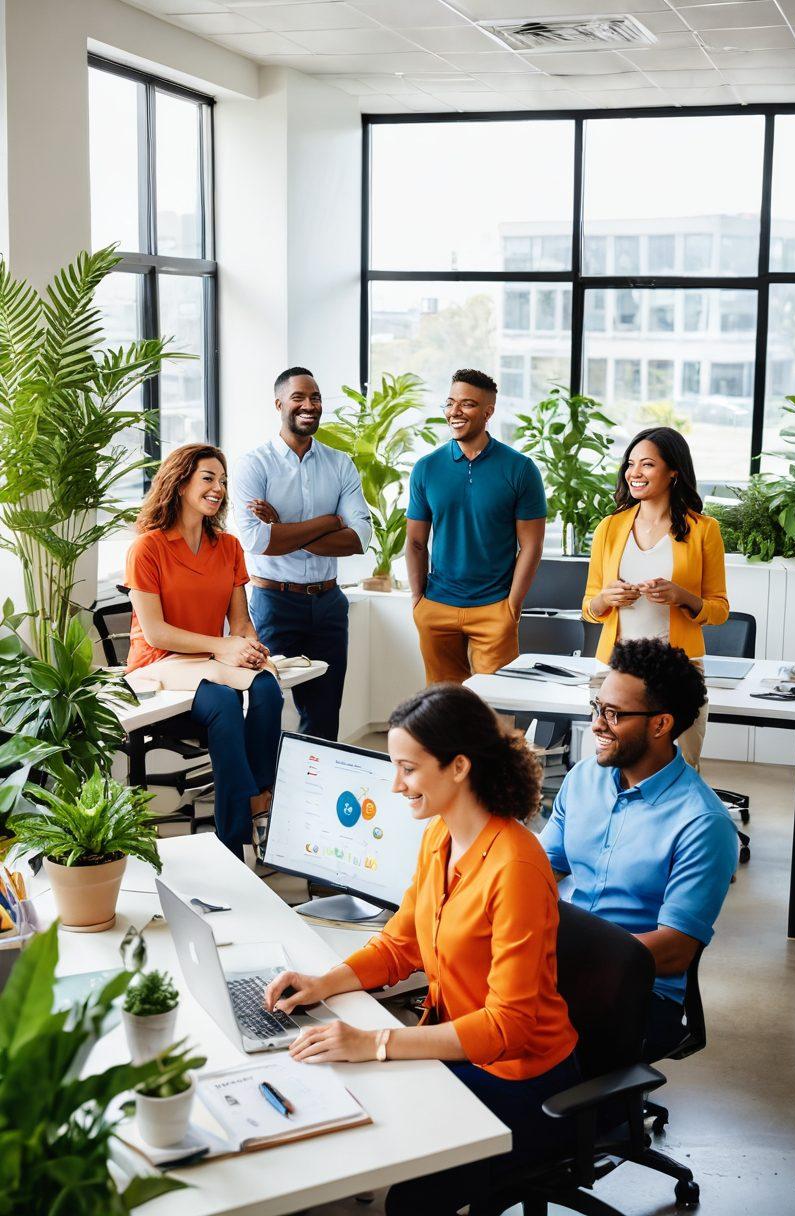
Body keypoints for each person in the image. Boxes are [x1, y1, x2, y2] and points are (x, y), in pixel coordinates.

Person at [263, 684, 579, 1215]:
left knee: (408, 1200)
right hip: (458, 1048)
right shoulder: (440, 834)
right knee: (336, 1099)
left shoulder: (516, 867)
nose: (395, 785)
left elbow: (509, 1028)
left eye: (407, 769)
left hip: (523, 1080)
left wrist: (377, 1043)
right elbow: (400, 943)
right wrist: (324, 982)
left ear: (458, 767)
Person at [539, 638, 738, 1063]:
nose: (596, 724)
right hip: (562, 965)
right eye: (597, 707)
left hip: (640, 993)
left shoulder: (703, 824)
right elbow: (540, 870)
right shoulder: (583, 780)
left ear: (660, 724)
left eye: (613, 714)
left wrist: (566, 957)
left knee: (516, 1044)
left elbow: (674, 950)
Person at [124, 444, 283, 861]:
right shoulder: (148, 548)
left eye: (222, 480)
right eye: (208, 478)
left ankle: (259, 798)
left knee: (267, 686)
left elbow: (240, 620)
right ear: (179, 484)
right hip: (158, 666)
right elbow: (155, 633)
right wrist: (222, 647)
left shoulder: (228, 547)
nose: (218, 488)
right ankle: (234, 843)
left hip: (210, 661)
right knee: (225, 704)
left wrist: (247, 647)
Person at [232, 367, 372, 741]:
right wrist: (329, 521)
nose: (309, 405)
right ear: (279, 404)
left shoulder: (340, 464)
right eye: (299, 397)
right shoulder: (254, 465)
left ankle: (314, 792)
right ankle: (266, 793)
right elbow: (259, 541)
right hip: (273, 601)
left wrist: (283, 527)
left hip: (328, 603)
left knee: (325, 710)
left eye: (315, 398)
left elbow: (359, 538)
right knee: (264, 703)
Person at [583, 425, 728, 767]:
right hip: (617, 667)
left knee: (682, 766)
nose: (634, 473)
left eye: (647, 464)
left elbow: (719, 609)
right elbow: (590, 607)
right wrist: (607, 598)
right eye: (631, 464)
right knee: (613, 766)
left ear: (673, 471)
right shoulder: (609, 527)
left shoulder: (704, 530)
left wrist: (683, 596)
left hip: (679, 669)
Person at [405, 369, 548, 686]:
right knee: (443, 708)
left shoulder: (520, 470)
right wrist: (419, 602)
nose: (454, 412)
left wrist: (512, 606)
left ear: (488, 412)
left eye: (467, 404)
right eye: (450, 402)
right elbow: (415, 543)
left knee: (495, 707)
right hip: (437, 606)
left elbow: (532, 546)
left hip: (494, 608)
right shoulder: (426, 468)